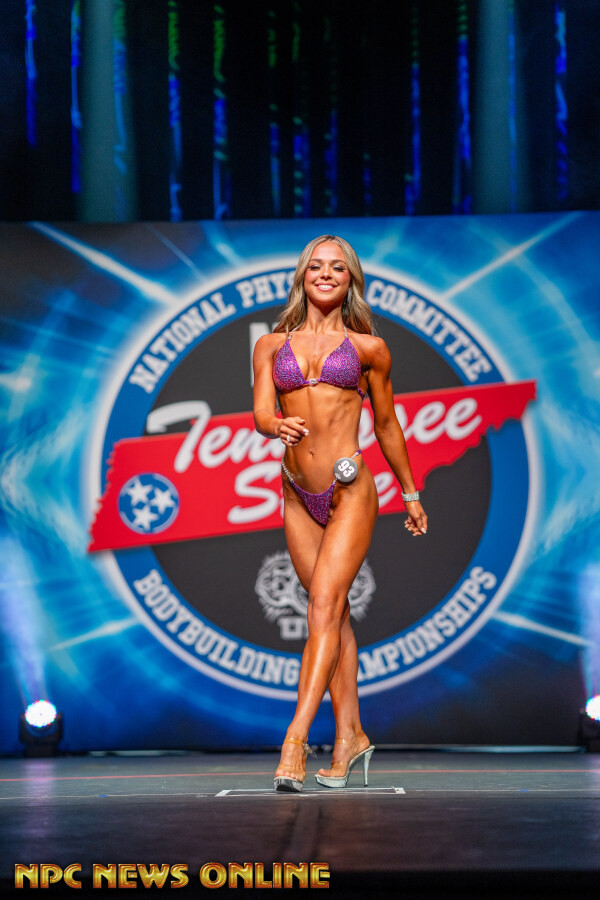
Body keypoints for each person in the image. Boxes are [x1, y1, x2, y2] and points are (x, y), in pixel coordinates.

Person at [252, 235, 427, 792]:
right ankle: (350, 736)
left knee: (323, 610)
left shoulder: (369, 348)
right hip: (296, 493)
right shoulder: (270, 345)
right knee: (335, 618)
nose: (325, 274)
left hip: (350, 490)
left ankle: (295, 740)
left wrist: (410, 492)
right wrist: (275, 425)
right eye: (316, 267)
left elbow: (387, 424)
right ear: (302, 276)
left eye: (337, 268)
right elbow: (260, 413)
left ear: (350, 278)